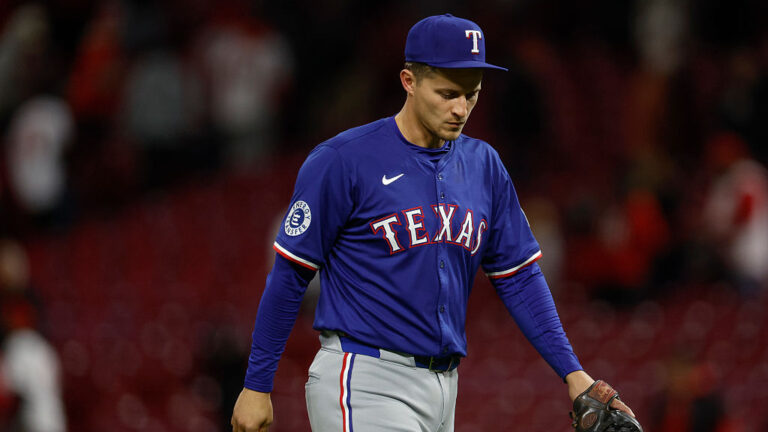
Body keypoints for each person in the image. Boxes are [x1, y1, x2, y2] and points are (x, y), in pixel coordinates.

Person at [231, 14, 636, 431]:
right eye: (447, 94)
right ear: (409, 81)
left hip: (445, 388)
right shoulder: (344, 160)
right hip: (366, 378)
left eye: (471, 95)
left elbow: (518, 277)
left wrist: (574, 374)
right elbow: (289, 276)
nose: (461, 109)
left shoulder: (484, 166)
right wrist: (256, 386)